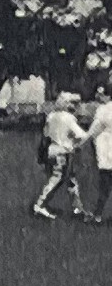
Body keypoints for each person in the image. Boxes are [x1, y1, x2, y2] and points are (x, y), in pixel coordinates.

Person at [32, 91, 90, 220]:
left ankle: (78, 208)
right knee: (57, 179)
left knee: (71, 180)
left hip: (51, 150)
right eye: (72, 103)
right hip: (63, 152)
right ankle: (39, 204)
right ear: (67, 104)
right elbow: (82, 135)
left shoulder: (51, 116)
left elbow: (45, 134)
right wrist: (77, 144)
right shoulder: (69, 118)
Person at [85, 84, 112, 224]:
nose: (98, 96)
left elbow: (93, 130)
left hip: (106, 150)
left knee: (105, 184)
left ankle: (98, 215)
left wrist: (81, 141)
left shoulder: (102, 110)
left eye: (101, 94)